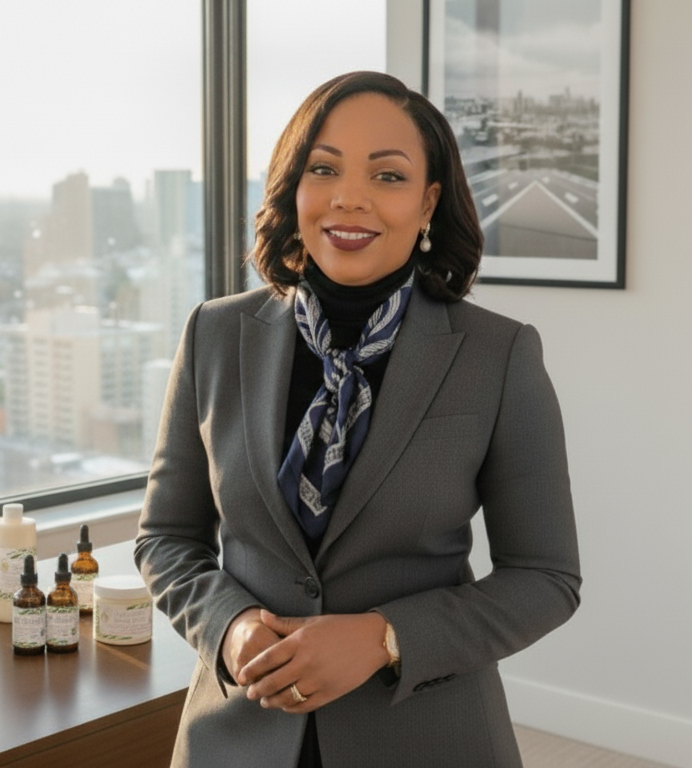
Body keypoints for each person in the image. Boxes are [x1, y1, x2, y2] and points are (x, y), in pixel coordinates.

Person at [134, 71, 580, 767]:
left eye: (388, 176)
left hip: (427, 737)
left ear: (428, 201)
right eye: (324, 169)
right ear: (294, 188)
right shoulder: (213, 335)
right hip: (241, 733)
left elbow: (546, 577)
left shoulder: (499, 355)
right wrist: (229, 627)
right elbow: (165, 537)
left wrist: (383, 638)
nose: (349, 197)